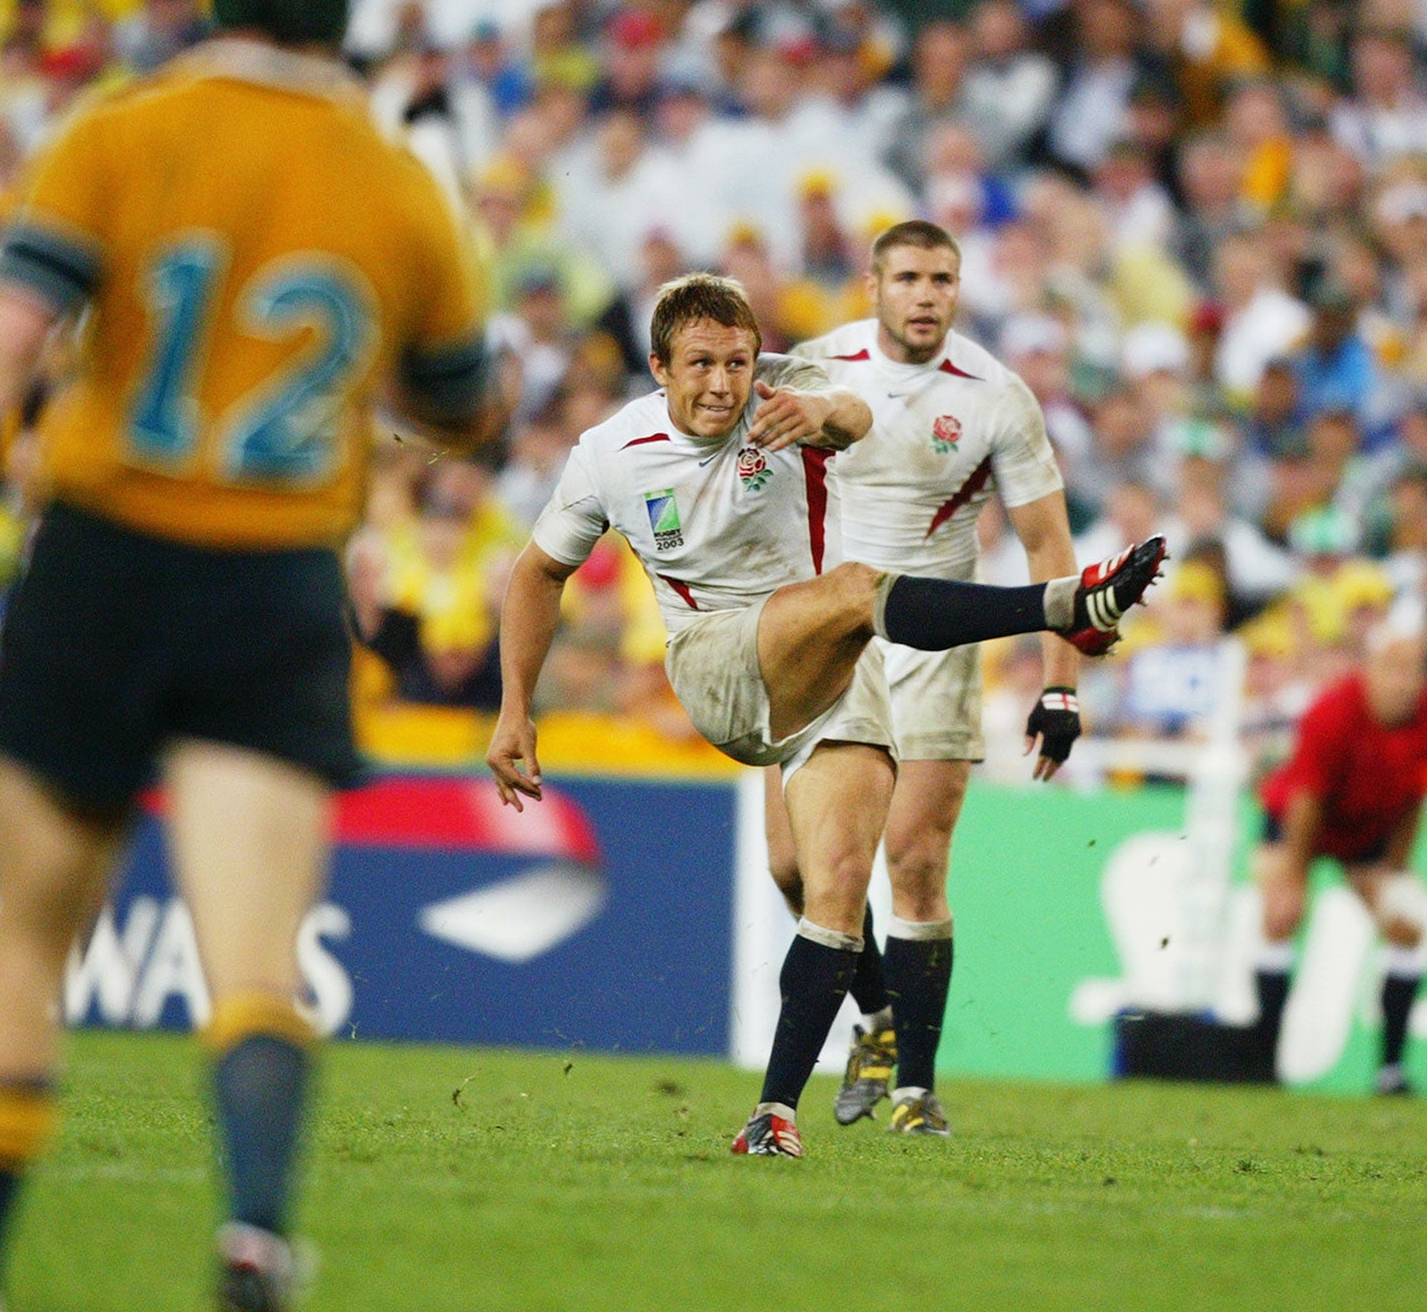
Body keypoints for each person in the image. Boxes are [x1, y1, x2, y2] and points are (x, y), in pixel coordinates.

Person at [0, 0, 499, 1312]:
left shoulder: (118, 137)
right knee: (255, 961)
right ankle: (251, 1236)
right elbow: (464, 406)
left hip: (101, 565)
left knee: (28, 950)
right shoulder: (397, 185)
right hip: (274, 583)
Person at [487, 272, 1162, 1158]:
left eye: (737, 361)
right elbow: (538, 572)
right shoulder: (611, 451)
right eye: (700, 364)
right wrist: (513, 714)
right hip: (718, 663)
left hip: (832, 668)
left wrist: (824, 419)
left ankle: (780, 1109)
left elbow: (854, 417)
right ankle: (1064, 604)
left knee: (827, 883)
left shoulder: (788, 400)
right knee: (851, 591)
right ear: (658, 367)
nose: (724, 385)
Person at [781, 220, 1084, 1136]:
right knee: (793, 865)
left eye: (942, 279)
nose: (925, 294)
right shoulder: (814, 367)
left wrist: (1061, 684)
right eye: (908, 277)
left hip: (935, 642)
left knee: (913, 861)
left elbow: (1048, 546)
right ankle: (873, 1016)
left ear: (959, 289)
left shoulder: (997, 395)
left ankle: (916, 1089)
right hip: (826, 634)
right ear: (872, 285)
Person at [1252, 623, 1427, 1096]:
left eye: (1414, 672)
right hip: (1300, 821)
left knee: (1407, 927)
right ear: (1370, 672)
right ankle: (1264, 1063)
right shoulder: (1331, 712)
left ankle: (1391, 1070)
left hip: (1368, 829)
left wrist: (1397, 865)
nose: (1403, 683)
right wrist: (1294, 878)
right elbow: (1306, 799)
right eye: (1392, 669)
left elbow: (1418, 794)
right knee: (1280, 918)